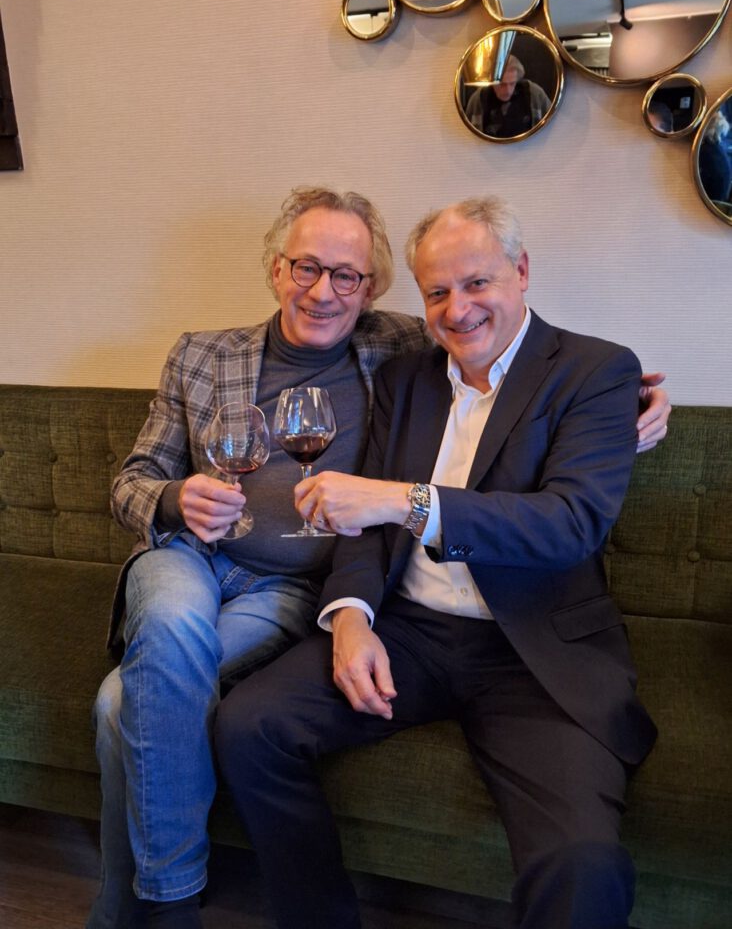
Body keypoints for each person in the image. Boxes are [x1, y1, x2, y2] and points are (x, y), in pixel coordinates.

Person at [87, 188, 669, 929]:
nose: (457, 310)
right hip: (341, 606)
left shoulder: (569, 369)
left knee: (580, 862)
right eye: (438, 293)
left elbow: (567, 517)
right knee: (232, 714)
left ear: (522, 272)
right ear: (276, 269)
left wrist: (636, 402)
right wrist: (351, 614)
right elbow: (341, 520)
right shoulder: (388, 370)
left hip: (525, 648)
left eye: (477, 283)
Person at [465, 55, 551, 138]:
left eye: (512, 83)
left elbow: (552, 126)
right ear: (491, 81)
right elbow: (467, 135)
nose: (508, 91)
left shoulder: (535, 94)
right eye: (502, 85)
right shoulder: (478, 99)